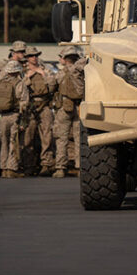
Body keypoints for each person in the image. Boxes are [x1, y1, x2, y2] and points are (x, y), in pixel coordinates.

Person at [23, 46, 56, 176]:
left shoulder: (46, 70)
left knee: (47, 135)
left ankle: (46, 164)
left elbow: (53, 86)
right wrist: (27, 78)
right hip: (30, 106)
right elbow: (18, 87)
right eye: (31, 56)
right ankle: (28, 165)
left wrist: (43, 75)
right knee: (28, 137)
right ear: (27, 58)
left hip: (44, 104)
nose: (34, 58)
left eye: (36, 55)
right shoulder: (22, 71)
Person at [0, 60, 29, 178]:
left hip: (2, 116)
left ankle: (3, 168)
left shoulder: (0, 83)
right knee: (14, 141)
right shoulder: (20, 83)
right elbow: (24, 103)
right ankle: (11, 169)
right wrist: (23, 120)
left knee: (4, 142)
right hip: (14, 115)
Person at [53, 46, 85, 178]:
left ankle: (60, 168)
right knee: (80, 139)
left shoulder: (61, 73)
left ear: (65, 59)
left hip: (64, 108)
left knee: (62, 139)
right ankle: (80, 167)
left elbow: (50, 85)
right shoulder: (81, 70)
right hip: (80, 107)